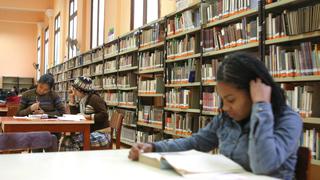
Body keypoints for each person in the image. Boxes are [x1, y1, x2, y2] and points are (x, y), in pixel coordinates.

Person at [128, 52, 302, 180]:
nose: (225, 107)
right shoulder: (226, 119)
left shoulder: (288, 120)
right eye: (223, 100)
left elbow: (263, 166)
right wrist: (153, 147)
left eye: (231, 99)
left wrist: (261, 107)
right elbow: (195, 142)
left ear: (254, 91)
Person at [60, 76, 110, 151]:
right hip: (91, 132)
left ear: (82, 90)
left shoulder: (94, 99)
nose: (74, 92)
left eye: (75, 89)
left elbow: (104, 115)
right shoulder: (83, 100)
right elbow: (76, 116)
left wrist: (88, 116)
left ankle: (78, 162)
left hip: (102, 134)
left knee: (70, 141)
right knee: (67, 139)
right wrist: (72, 100)